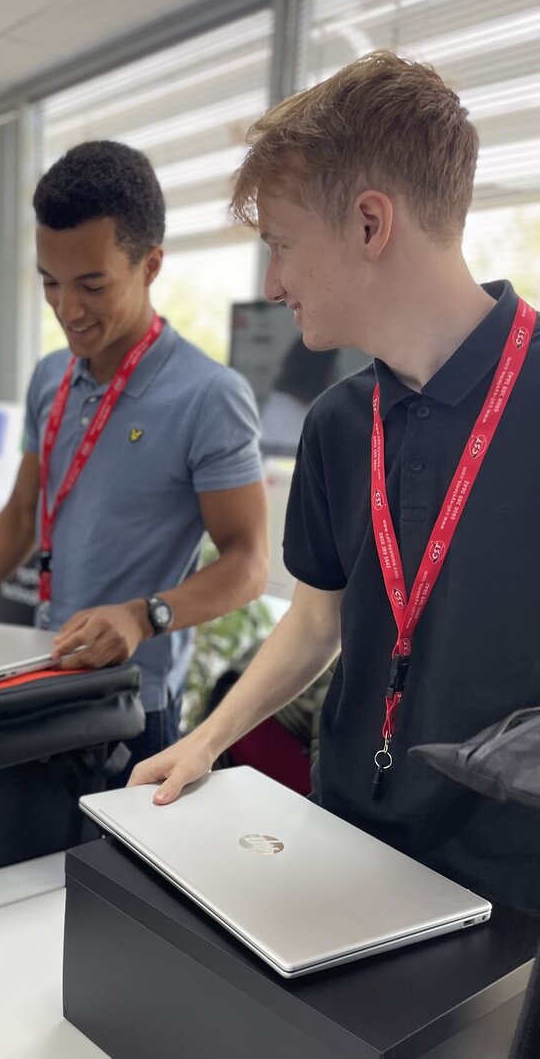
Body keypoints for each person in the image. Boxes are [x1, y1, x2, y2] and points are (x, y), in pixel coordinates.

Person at [130, 50, 540, 916]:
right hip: (345, 830)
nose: (273, 283)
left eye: (281, 245)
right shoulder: (339, 423)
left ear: (367, 224)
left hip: (511, 883)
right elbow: (316, 620)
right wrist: (206, 740)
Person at [0, 140, 269, 768]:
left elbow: (249, 564)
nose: (68, 310)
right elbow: (19, 517)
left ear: (150, 265)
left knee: (101, 868)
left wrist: (144, 617)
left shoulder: (211, 396)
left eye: (92, 284)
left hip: (130, 703)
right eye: (49, 283)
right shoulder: (50, 378)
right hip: (36, 674)